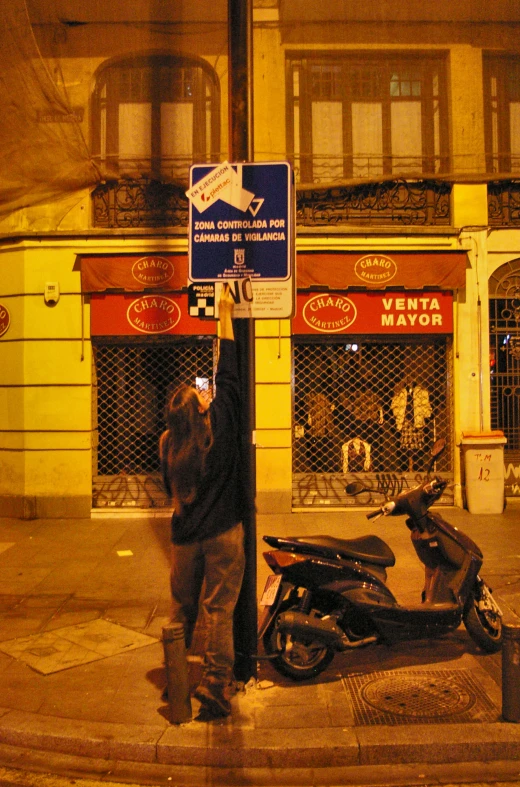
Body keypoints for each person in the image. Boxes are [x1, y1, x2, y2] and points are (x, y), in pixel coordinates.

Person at [159, 283, 245, 719]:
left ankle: (174, 678)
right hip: (224, 535)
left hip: (184, 539)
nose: (207, 394)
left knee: (182, 608)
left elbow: (167, 488)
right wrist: (225, 315)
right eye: (201, 395)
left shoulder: (168, 444)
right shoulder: (221, 430)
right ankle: (215, 684)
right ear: (201, 411)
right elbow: (230, 375)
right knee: (219, 611)